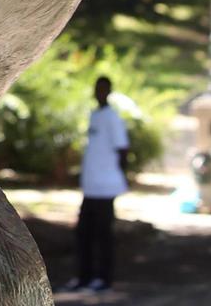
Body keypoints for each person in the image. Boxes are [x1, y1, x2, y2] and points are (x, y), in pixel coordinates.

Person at [64, 76, 131, 294]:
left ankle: (104, 279)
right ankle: (84, 277)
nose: (99, 93)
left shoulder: (112, 117)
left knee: (103, 235)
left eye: (103, 89)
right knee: (84, 233)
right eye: (97, 89)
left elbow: (122, 149)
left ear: (109, 92)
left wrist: (116, 174)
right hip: (91, 187)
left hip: (105, 186)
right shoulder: (95, 115)